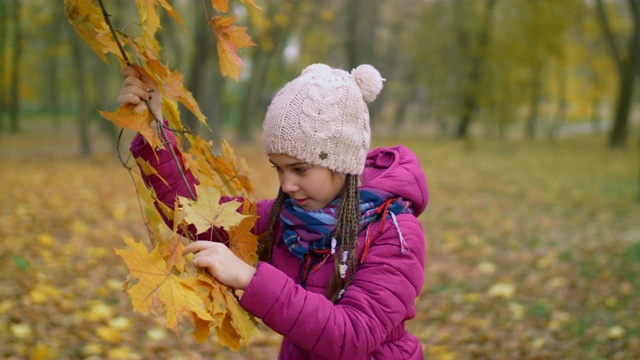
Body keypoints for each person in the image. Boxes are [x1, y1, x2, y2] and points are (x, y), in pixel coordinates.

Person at [118, 63, 429, 359]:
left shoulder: (394, 232)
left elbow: (352, 336)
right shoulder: (285, 217)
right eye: (278, 169)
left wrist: (252, 280)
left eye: (300, 169)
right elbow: (192, 216)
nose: (287, 184)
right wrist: (151, 129)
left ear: (342, 162)